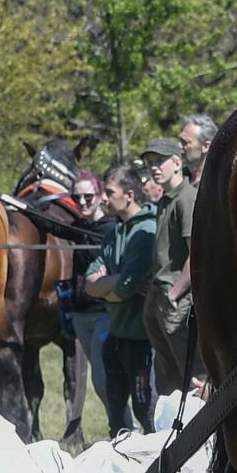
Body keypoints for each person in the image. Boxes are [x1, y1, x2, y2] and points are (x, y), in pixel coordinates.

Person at [85, 161, 158, 433]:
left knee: (145, 408)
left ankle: (156, 462)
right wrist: (113, 287)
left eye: (109, 191)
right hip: (115, 334)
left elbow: (127, 286)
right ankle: (122, 456)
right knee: (114, 406)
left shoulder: (146, 232)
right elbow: (90, 281)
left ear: (129, 195)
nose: (103, 198)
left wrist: (108, 286)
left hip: (141, 338)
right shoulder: (114, 231)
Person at [140, 137, 198, 396]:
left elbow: (196, 253)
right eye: (150, 162)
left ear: (177, 162)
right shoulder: (166, 200)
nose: (154, 168)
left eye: (160, 161)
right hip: (158, 296)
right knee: (167, 378)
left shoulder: (187, 198)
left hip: (177, 299)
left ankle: (201, 432)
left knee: (193, 375)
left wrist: (175, 293)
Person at [64, 173, 113, 422]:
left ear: (100, 195)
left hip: (104, 312)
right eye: (76, 197)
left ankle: (123, 425)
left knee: (102, 379)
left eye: (87, 196)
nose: (82, 202)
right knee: (100, 378)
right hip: (80, 314)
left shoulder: (111, 227)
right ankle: (120, 424)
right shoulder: (79, 228)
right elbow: (50, 225)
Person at [179, 113, 218, 184]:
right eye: (180, 141)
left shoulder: (218, 181)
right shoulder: (179, 179)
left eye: (185, 142)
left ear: (206, 146)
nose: (180, 146)